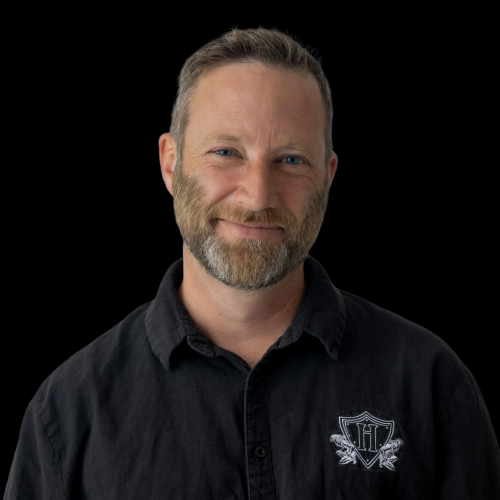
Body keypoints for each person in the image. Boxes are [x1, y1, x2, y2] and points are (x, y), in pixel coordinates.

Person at [4, 26, 500, 499]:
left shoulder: (431, 385)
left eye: (291, 160)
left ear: (328, 176)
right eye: (226, 152)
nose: (257, 195)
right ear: (171, 163)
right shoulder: (68, 411)